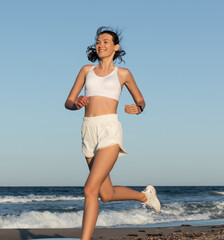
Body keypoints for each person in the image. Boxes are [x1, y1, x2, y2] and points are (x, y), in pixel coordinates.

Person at [64, 26, 161, 240]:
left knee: (90, 190)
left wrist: (139, 108)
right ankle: (145, 196)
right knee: (105, 194)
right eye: (98, 41)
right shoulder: (86, 70)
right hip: (88, 129)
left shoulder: (123, 74)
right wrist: (76, 104)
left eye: (106, 41)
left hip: (110, 130)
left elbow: (141, 100)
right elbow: (68, 102)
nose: (101, 44)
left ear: (115, 47)